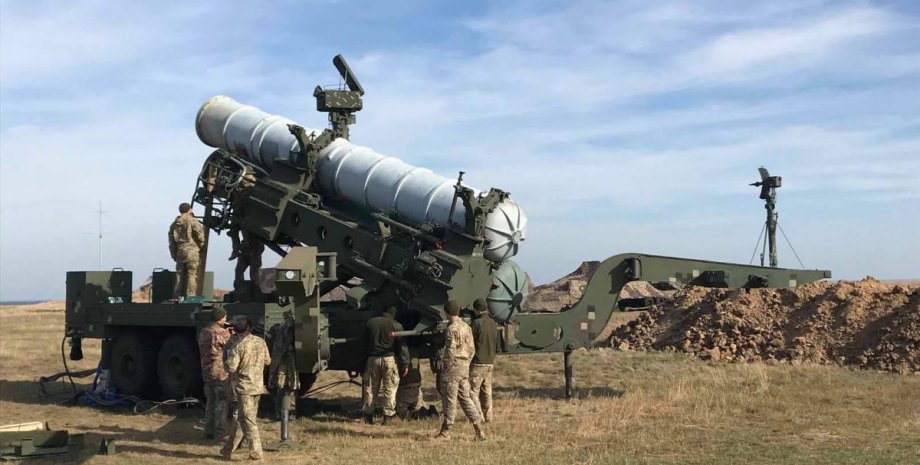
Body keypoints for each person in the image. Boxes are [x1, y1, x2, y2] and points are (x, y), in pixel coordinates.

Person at [220, 315, 271, 461]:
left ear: (235, 330)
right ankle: (227, 449)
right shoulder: (260, 341)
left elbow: (231, 367)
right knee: (242, 419)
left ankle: (256, 454)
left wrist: (226, 361)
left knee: (248, 422)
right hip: (258, 386)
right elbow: (268, 360)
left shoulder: (238, 346)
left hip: (245, 389)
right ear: (249, 328)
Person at [434, 300, 486, 440]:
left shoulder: (451, 329)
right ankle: (478, 428)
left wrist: (446, 366)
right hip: (464, 367)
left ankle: (446, 431)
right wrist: (466, 363)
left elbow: (450, 350)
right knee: (465, 398)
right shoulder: (466, 327)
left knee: (449, 398)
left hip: (453, 367)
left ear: (447, 312)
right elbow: (472, 349)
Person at [362, 306, 409, 425]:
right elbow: (402, 347)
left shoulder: (370, 323)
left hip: (373, 359)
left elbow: (363, 343)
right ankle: (387, 417)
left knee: (370, 388)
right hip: (389, 359)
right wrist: (405, 364)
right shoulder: (396, 325)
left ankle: (368, 416)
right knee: (390, 389)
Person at [198, 308, 231, 440]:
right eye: (225, 317)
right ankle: (221, 432)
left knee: (210, 402)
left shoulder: (203, 332)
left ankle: (209, 430)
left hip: (206, 372)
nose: (226, 319)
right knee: (221, 403)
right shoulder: (221, 333)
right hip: (220, 373)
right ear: (220, 318)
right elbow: (230, 345)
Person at [469, 298, 497, 423]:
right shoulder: (493, 323)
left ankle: (478, 416)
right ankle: (488, 416)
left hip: (478, 362)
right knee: (487, 391)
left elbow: (469, 339)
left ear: (476, 309)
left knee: (472, 391)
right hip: (490, 361)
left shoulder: (477, 323)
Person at [168, 202, 205, 297]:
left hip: (180, 252)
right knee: (191, 275)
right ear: (189, 210)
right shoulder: (193, 221)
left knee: (179, 275)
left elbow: (171, 242)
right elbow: (200, 236)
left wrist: (174, 254)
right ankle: (190, 297)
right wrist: (202, 247)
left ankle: (177, 297)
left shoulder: (174, 224)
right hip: (192, 251)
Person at [268, 311, 298, 421]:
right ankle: (282, 413)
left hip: (290, 363)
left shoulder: (292, 329)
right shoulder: (282, 330)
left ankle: (289, 412)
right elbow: (278, 350)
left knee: (291, 387)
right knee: (281, 386)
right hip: (283, 364)